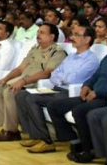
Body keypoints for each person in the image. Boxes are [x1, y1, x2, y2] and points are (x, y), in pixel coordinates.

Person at [47, 20, 107, 163]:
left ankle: (91, 150)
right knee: (56, 105)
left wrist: (97, 92)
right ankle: (77, 142)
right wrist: (86, 86)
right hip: (94, 94)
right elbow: (96, 76)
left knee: (80, 111)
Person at [15, 24, 99, 154]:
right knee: (21, 95)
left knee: (32, 99)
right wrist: (61, 78)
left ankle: (46, 141)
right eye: (73, 34)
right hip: (56, 88)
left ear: (87, 39)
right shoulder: (71, 56)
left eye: (77, 35)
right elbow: (54, 74)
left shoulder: (91, 60)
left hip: (70, 92)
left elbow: (73, 80)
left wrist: (61, 77)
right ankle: (36, 136)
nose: (72, 37)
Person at [0, 24, 67, 142]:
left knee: (9, 91)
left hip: (37, 82)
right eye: (38, 32)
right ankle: (4, 127)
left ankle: (11, 131)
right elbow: (20, 68)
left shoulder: (57, 52)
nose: (38, 34)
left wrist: (23, 81)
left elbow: (47, 73)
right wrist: (5, 79)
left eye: (42, 33)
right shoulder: (35, 49)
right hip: (23, 78)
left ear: (52, 36)